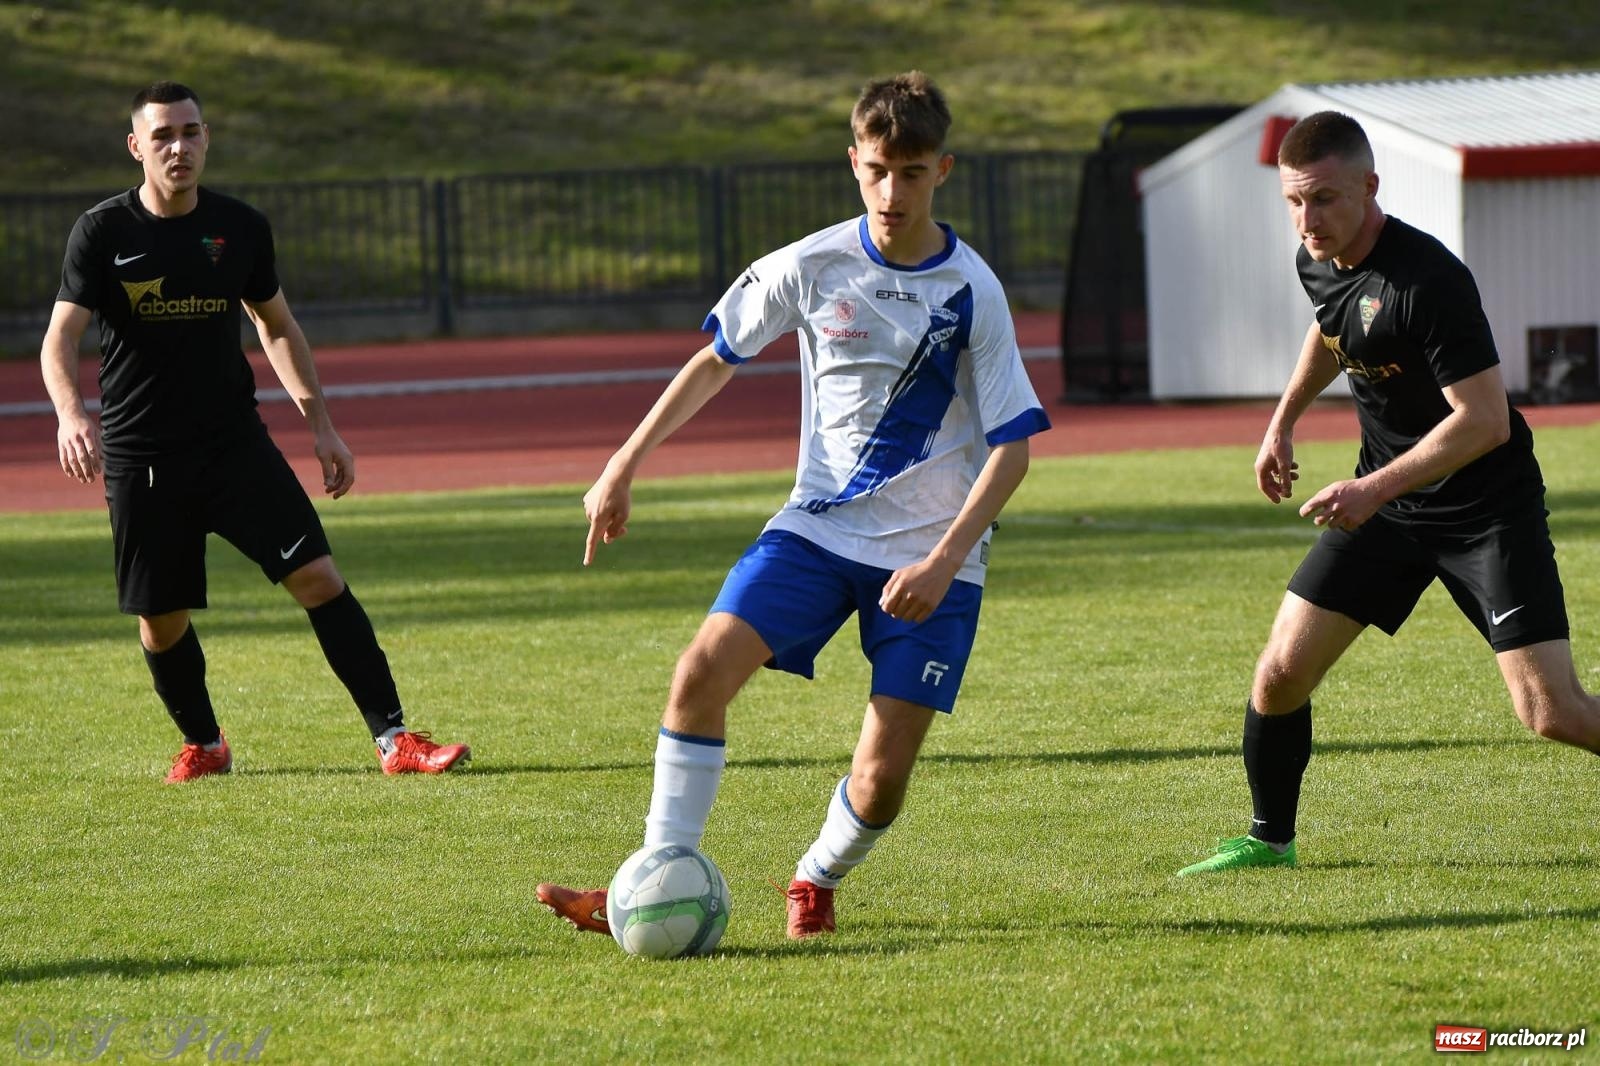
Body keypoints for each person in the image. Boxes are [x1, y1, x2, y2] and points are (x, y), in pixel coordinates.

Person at [537, 71, 1050, 938]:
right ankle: (658, 875)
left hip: (932, 556)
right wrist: (623, 464)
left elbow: (1014, 448)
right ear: (854, 161)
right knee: (699, 672)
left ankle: (814, 875)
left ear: (944, 171)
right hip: (816, 531)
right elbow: (715, 359)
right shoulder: (811, 265)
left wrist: (943, 561)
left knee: (882, 782)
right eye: (879, 169)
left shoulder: (974, 291)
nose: (893, 192)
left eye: (913, 172)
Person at [1178, 111, 1600, 875]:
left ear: (1371, 187)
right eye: (1294, 202)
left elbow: (1485, 422)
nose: (1309, 220)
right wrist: (1283, 422)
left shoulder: (1428, 280)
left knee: (1552, 712)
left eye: (1326, 200)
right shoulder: (1319, 255)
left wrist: (1372, 487)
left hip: (1483, 513)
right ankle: (1270, 841)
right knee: (1280, 673)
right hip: (1387, 507)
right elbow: (1332, 327)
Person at [40, 82, 470, 783]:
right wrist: (69, 414)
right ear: (136, 147)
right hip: (143, 455)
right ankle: (206, 743)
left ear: (207, 138)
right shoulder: (103, 232)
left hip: (233, 445)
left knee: (319, 578)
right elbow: (60, 338)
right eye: (163, 136)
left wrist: (322, 427)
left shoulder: (239, 227)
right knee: (161, 622)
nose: (179, 147)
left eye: (192, 132)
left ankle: (395, 740)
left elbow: (276, 325)